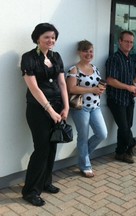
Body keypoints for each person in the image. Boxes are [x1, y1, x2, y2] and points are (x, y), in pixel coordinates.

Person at [20, 23, 69, 206]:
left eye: (53, 37)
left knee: (52, 147)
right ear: (38, 38)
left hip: (57, 108)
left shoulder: (56, 57)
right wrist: (50, 110)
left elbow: (62, 84)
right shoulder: (29, 58)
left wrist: (66, 107)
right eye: (47, 37)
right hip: (38, 110)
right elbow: (33, 88)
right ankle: (30, 191)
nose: (51, 40)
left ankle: (46, 182)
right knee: (42, 149)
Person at [66, 40, 108, 178]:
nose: (89, 54)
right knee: (83, 136)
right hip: (81, 107)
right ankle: (85, 165)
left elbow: (98, 85)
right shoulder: (74, 69)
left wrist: (100, 89)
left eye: (91, 51)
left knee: (102, 134)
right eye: (85, 51)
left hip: (95, 107)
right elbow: (71, 88)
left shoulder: (95, 68)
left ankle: (83, 157)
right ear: (79, 52)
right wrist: (92, 89)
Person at [105, 31, 136, 164]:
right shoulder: (114, 58)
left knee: (127, 126)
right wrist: (128, 87)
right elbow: (110, 80)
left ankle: (120, 152)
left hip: (129, 99)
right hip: (116, 99)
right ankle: (132, 144)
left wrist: (133, 87)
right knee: (124, 127)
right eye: (126, 41)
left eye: (131, 42)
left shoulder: (131, 59)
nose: (129, 44)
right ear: (120, 41)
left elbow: (130, 79)